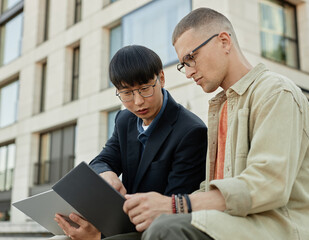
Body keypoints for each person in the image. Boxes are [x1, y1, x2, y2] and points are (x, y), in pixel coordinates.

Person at [99, 7, 309, 240]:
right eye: (183, 64)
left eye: (191, 58)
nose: (188, 73)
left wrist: (175, 205)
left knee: (165, 229)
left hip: (282, 226)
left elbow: (269, 184)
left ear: (223, 41)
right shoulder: (222, 107)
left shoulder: (275, 92)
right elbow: (211, 189)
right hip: (235, 222)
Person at [54, 45, 207, 239]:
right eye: (126, 93)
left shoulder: (191, 132)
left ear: (161, 78)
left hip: (158, 230)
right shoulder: (124, 120)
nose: (138, 102)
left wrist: (98, 237)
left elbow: (171, 214)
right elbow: (102, 160)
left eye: (144, 89)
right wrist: (106, 173)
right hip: (121, 222)